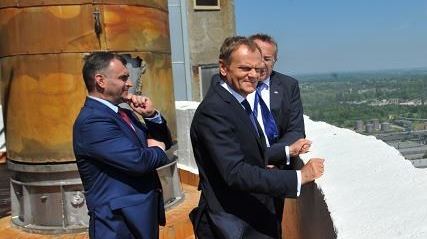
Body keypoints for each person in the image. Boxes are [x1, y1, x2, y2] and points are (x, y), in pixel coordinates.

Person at [190, 36, 324, 239]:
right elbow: (235, 172)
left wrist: (262, 163)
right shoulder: (215, 110)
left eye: (258, 68)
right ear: (223, 68)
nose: (254, 75)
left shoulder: (236, 102)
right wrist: (300, 176)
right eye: (245, 68)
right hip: (235, 221)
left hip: (251, 214)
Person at [73, 52, 172, 239]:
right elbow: (138, 161)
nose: (130, 83)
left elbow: (161, 140)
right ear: (100, 80)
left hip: (139, 218)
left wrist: (150, 116)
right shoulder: (92, 122)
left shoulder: (123, 113)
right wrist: (157, 150)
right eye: (123, 78)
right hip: (118, 225)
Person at [249, 33, 310, 164]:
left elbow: (296, 130)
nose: (262, 64)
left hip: (279, 167)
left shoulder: (289, 85)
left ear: (275, 60)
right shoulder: (232, 85)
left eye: (267, 59)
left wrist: (274, 156)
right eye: (257, 58)